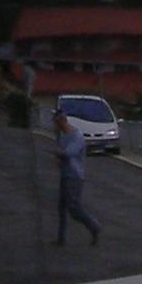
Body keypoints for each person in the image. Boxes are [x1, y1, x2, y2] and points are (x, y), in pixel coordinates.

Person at [53, 105, 101, 245]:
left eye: (57, 122)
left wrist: (58, 154)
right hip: (65, 173)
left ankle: (94, 226)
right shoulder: (63, 137)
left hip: (74, 175)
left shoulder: (76, 136)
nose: (56, 126)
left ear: (62, 120)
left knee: (74, 208)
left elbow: (69, 153)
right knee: (61, 206)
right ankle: (61, 238)